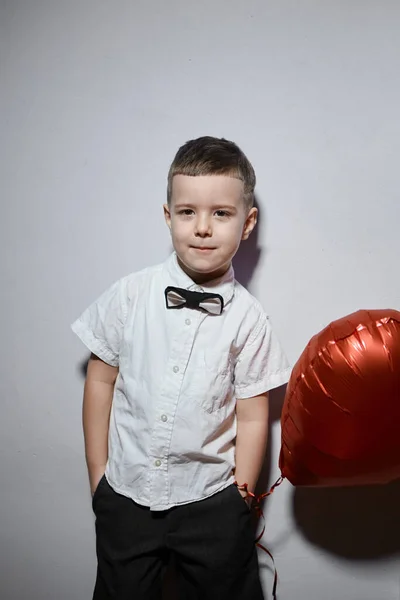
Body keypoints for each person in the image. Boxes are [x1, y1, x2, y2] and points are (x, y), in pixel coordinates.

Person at [71, 136, 291, 600]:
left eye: (221, 213)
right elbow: (100, 379)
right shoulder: (130, 295)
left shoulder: (250, 320)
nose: (203, 228)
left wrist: (243, 501)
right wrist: (99, 475)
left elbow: (253, 416)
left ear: (247, 223)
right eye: (188, 212)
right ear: (168, 216)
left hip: (211, 500)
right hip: (126, 494)